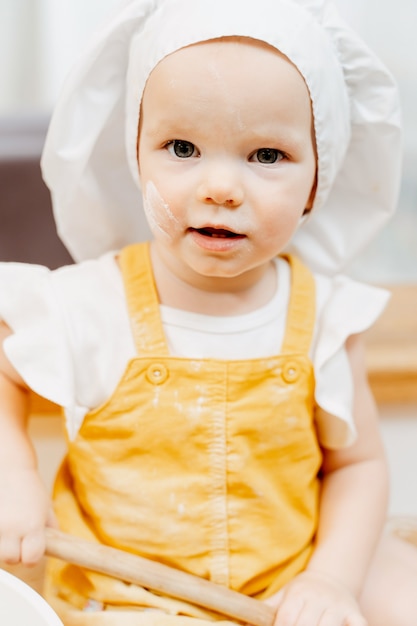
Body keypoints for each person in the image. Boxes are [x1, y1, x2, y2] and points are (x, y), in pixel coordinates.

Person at [0, 0, 416, 624]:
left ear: (317, 180)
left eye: (267, 156)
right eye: (182, 147)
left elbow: (357, 464)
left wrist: (330, 580)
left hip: (289, 579)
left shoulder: (326, 317)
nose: (220, 187)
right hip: (125, 594)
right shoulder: (90, 303)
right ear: (135, 154)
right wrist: (12, 476)